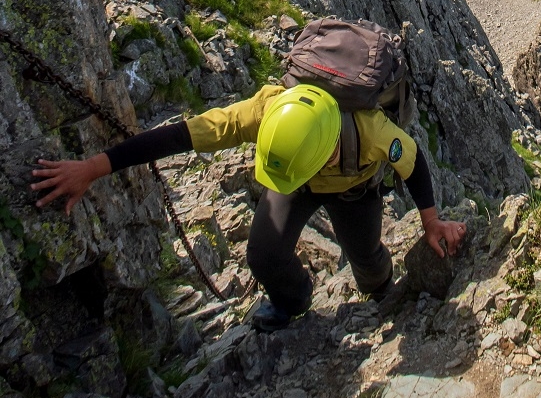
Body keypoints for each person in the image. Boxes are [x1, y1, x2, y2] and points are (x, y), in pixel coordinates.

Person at [31, 82, 465, 331]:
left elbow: (412, 162)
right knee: (262, 253)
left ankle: (380, 292)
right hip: (295, 178)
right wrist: (93, 167)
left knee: (365, 254)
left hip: (353, 188)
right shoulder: (266, 112)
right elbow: (180, 137)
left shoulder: (371, 130)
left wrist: (432, 221)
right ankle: (293, 302)